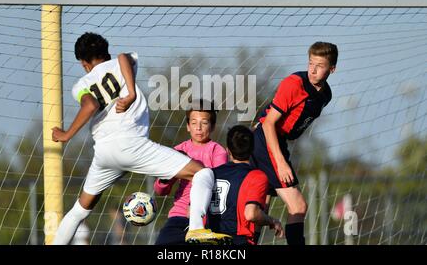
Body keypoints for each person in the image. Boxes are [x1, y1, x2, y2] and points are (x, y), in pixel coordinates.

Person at [51, 32, 230, 244]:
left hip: (104, 153)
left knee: (79, 210)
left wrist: (66, 135)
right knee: (203, 173)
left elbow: (90, 104)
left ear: (83, 63)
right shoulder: (121, 63)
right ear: (106, 53)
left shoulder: (80, 85)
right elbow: (124, 57)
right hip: (132, 145)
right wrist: (132, 94)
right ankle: (196, 229)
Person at [251, 42, 338, 245]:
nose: (313, 69)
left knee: (258, 208)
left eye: (320, 65)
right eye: (310, 63)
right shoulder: (294, 84)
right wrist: (281, 162)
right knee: (298, 205)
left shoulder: (326, 95)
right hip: (266, 139)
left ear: (332, 69)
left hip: (276, 142)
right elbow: (269, 123)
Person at [154, 100, 228, 245]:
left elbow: (220, 187)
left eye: (204, 123)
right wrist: (164, 179)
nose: (198, 128)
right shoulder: (179, 150)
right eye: (194, 123)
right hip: (179, 215)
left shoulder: (217, 151)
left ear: (212, 126)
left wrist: (194, 205)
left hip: (207, 219)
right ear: (188, 126)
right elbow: (161, 191)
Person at [207, 125, 284, 245]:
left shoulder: (209, 173)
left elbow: (190, 212)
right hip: (237, 240)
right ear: (252, 149)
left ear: (228, 150)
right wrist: (271, 221)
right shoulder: (257, 176)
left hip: (208, 240)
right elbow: (251, 213)